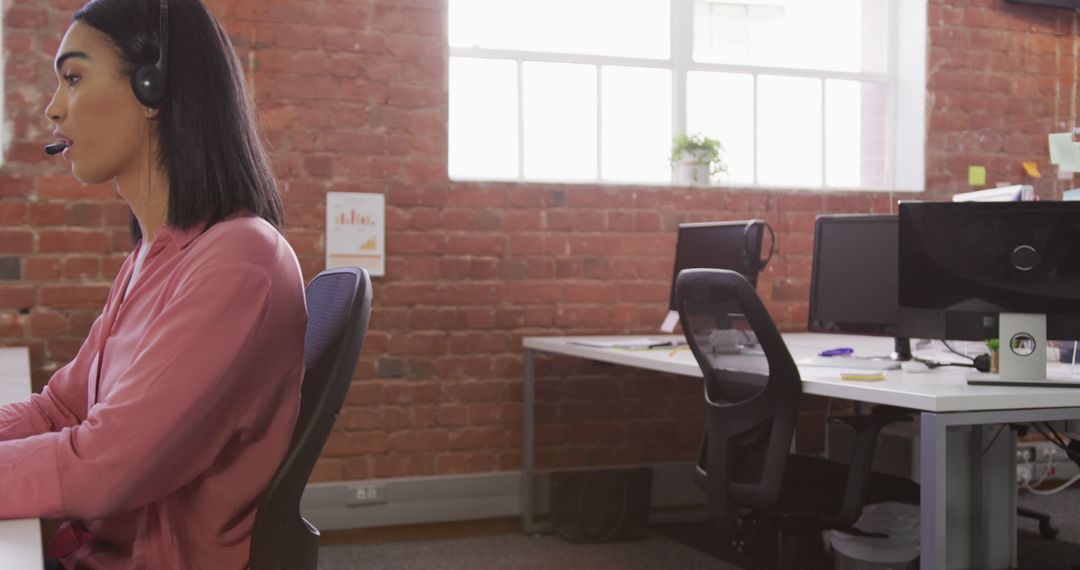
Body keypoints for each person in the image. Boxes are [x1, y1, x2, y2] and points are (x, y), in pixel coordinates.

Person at [0, 0, 307, 568]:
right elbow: (58, 410)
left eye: (73, 78)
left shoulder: (240, 262)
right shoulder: (154, 254)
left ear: (152, 87)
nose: (53, 109)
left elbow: (103, 467)